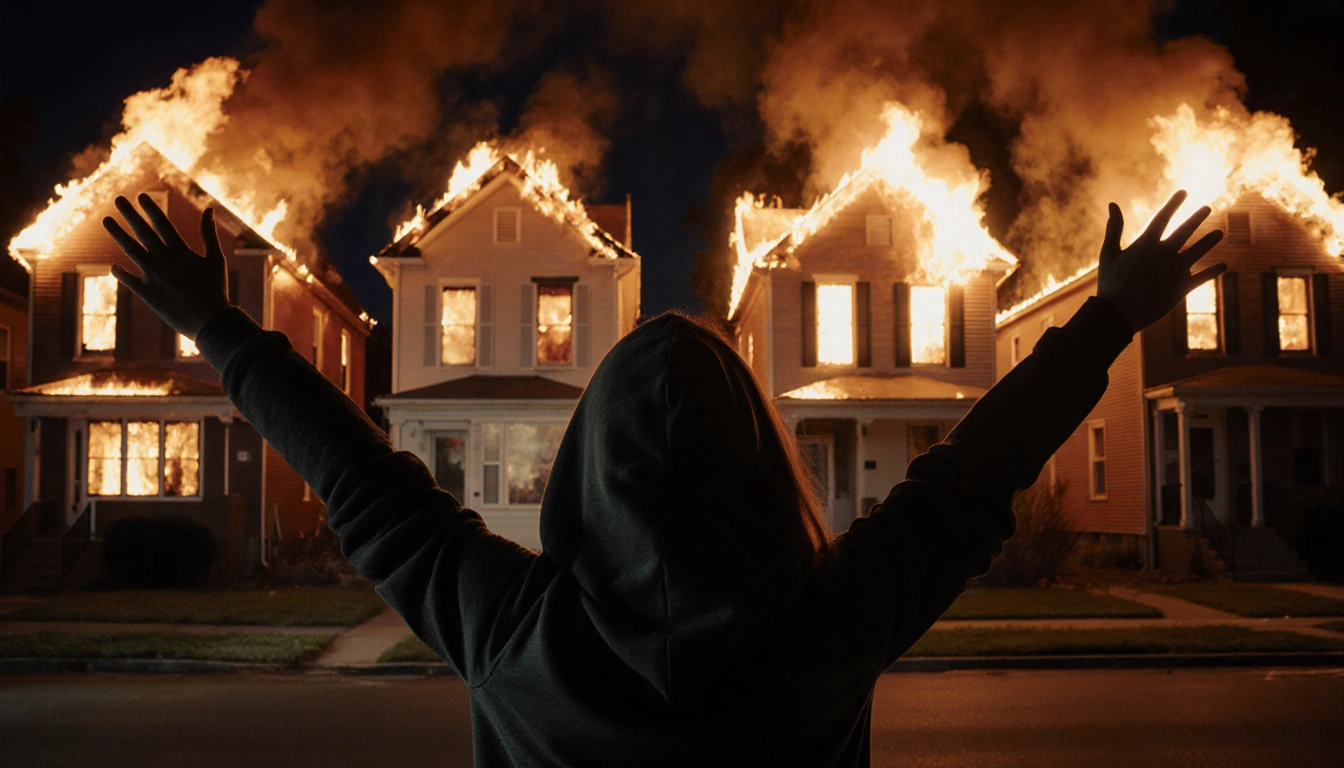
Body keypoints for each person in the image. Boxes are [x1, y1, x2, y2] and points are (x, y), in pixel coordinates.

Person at [104, 190, 1223, 766]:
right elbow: (978, 473)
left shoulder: (513, 632)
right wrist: (1112, 314)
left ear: (587, 467)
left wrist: (216, 326)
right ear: (762, 458)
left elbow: (358, 481)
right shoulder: (832, 625)